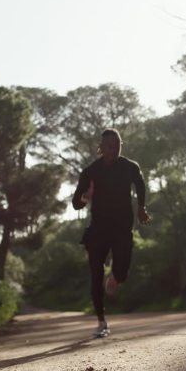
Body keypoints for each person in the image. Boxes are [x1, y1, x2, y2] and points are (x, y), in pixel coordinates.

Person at [72, 128, 151, 338]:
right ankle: (101, 321)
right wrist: (85, 197)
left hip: (122, 227)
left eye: (117, 145)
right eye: (109, 146)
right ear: (101, 147)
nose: (114, 149)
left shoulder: (129, 167)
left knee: (122, 270)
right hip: (98, 229)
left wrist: (142, 207)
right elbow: (74, 204)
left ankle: (116, 277)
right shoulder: (90, 172)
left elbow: (140, 184)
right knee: (96, 274)